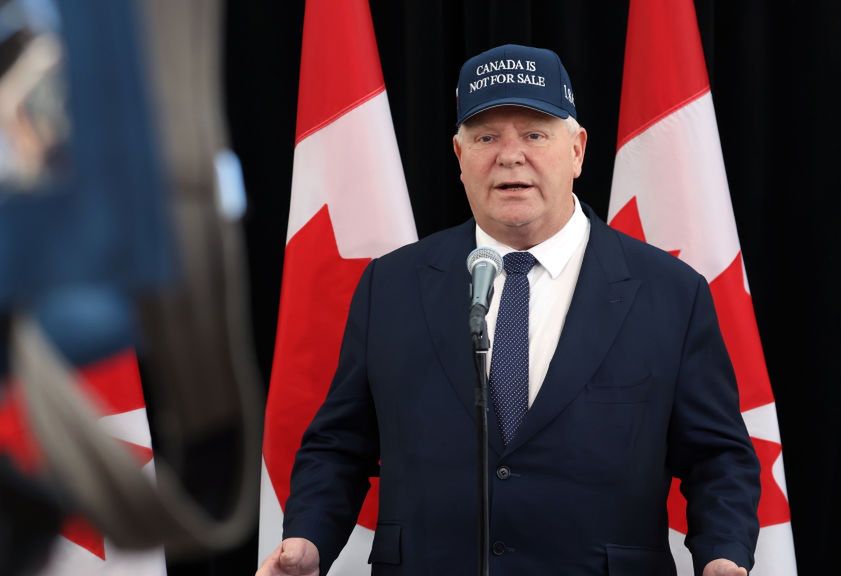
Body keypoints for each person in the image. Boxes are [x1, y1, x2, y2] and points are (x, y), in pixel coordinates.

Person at [257, 44, 760, 576]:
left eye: (535, 134)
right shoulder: (392, 285)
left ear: (577, 150)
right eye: (486, 136)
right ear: (459, 155)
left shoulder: (670, 293)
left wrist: (723, 555)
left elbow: (718, 458)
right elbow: (339, 444)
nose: (510, 155)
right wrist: (308, 538)